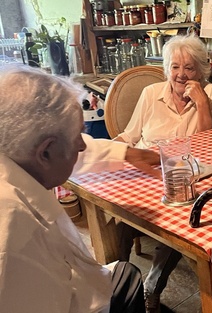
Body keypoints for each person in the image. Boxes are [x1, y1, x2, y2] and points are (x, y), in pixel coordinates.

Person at [0, 64, 161, 312]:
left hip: (71, 286)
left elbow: (79, 151)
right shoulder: (12, 234)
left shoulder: (19, 149)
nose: (83, 147)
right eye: (79, 137)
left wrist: (127, 153)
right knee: (125, 278)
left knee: (125, 273)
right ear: (45, 151)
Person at [113, 34, 212, 313]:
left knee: (181, 221)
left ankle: (151, 287)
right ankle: (114, 278)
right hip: (144, 173)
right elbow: (130, 134)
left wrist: (200, 103)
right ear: (167, 68)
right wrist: (105, 152)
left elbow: (208, 146)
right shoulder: (151, 93)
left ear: (201, 70)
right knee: (117, 213)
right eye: (175, 67)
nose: (181, 75)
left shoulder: (210, 94)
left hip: (182, 177)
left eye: (189, 68)